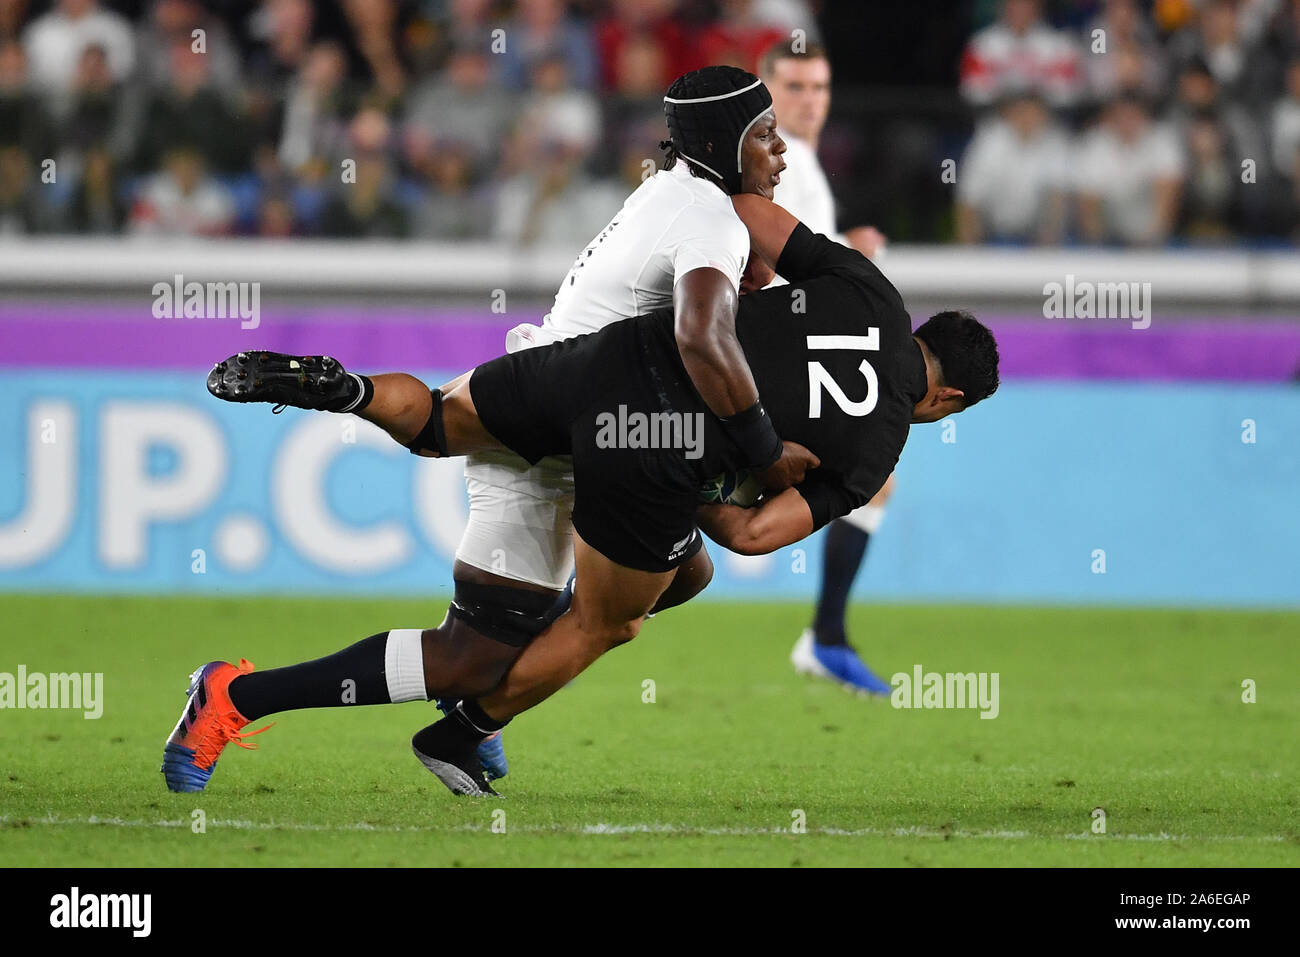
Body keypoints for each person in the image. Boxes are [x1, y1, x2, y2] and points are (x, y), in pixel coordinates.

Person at [164, 194, 999, 796]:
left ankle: (346, 392)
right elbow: (750, 534)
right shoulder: (879, 444)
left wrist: (750, 286)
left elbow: (754, 222)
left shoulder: (859, 285)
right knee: (572, 629)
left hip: (585, 360)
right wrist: (711, 479)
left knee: (448, 435)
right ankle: (259, 697)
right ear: (948, 401)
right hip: (637, 452)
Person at [162, 65, 797, 793]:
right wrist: (763, 449)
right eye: (766, 134)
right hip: (558, 441)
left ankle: (348, 390)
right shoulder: (710, 218)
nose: (779, 151)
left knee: (680, 575)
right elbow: (703, 338)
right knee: (473, 656)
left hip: (558, 405)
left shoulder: (673, 193)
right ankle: (235, 695)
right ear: (723, 140)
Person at [758, 39, 895, 694]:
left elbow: (801, 258)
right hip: (760, 355)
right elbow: (784, 267)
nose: (809, 101)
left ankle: (828, 636)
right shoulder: (776, 163)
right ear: (768, 87)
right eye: (795, 87)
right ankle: (825, 636)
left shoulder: (797, 161)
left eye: (819, 88)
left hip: (776, 352)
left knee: (874, 473)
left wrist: (846, 248)